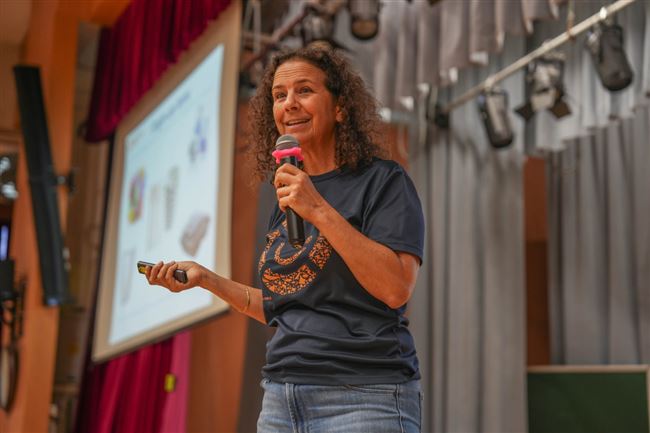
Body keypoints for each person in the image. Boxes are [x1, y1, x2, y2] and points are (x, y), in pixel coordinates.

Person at [146, 45, 425, 433]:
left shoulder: (382, 181)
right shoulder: (288, 197)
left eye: (304, 90)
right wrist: (206, 279)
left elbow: (395, 288)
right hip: (281, 398)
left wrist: (318, 209)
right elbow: (281, 307)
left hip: (363, 395)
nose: (289, 103)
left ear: (340, 107)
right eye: (279, 95)